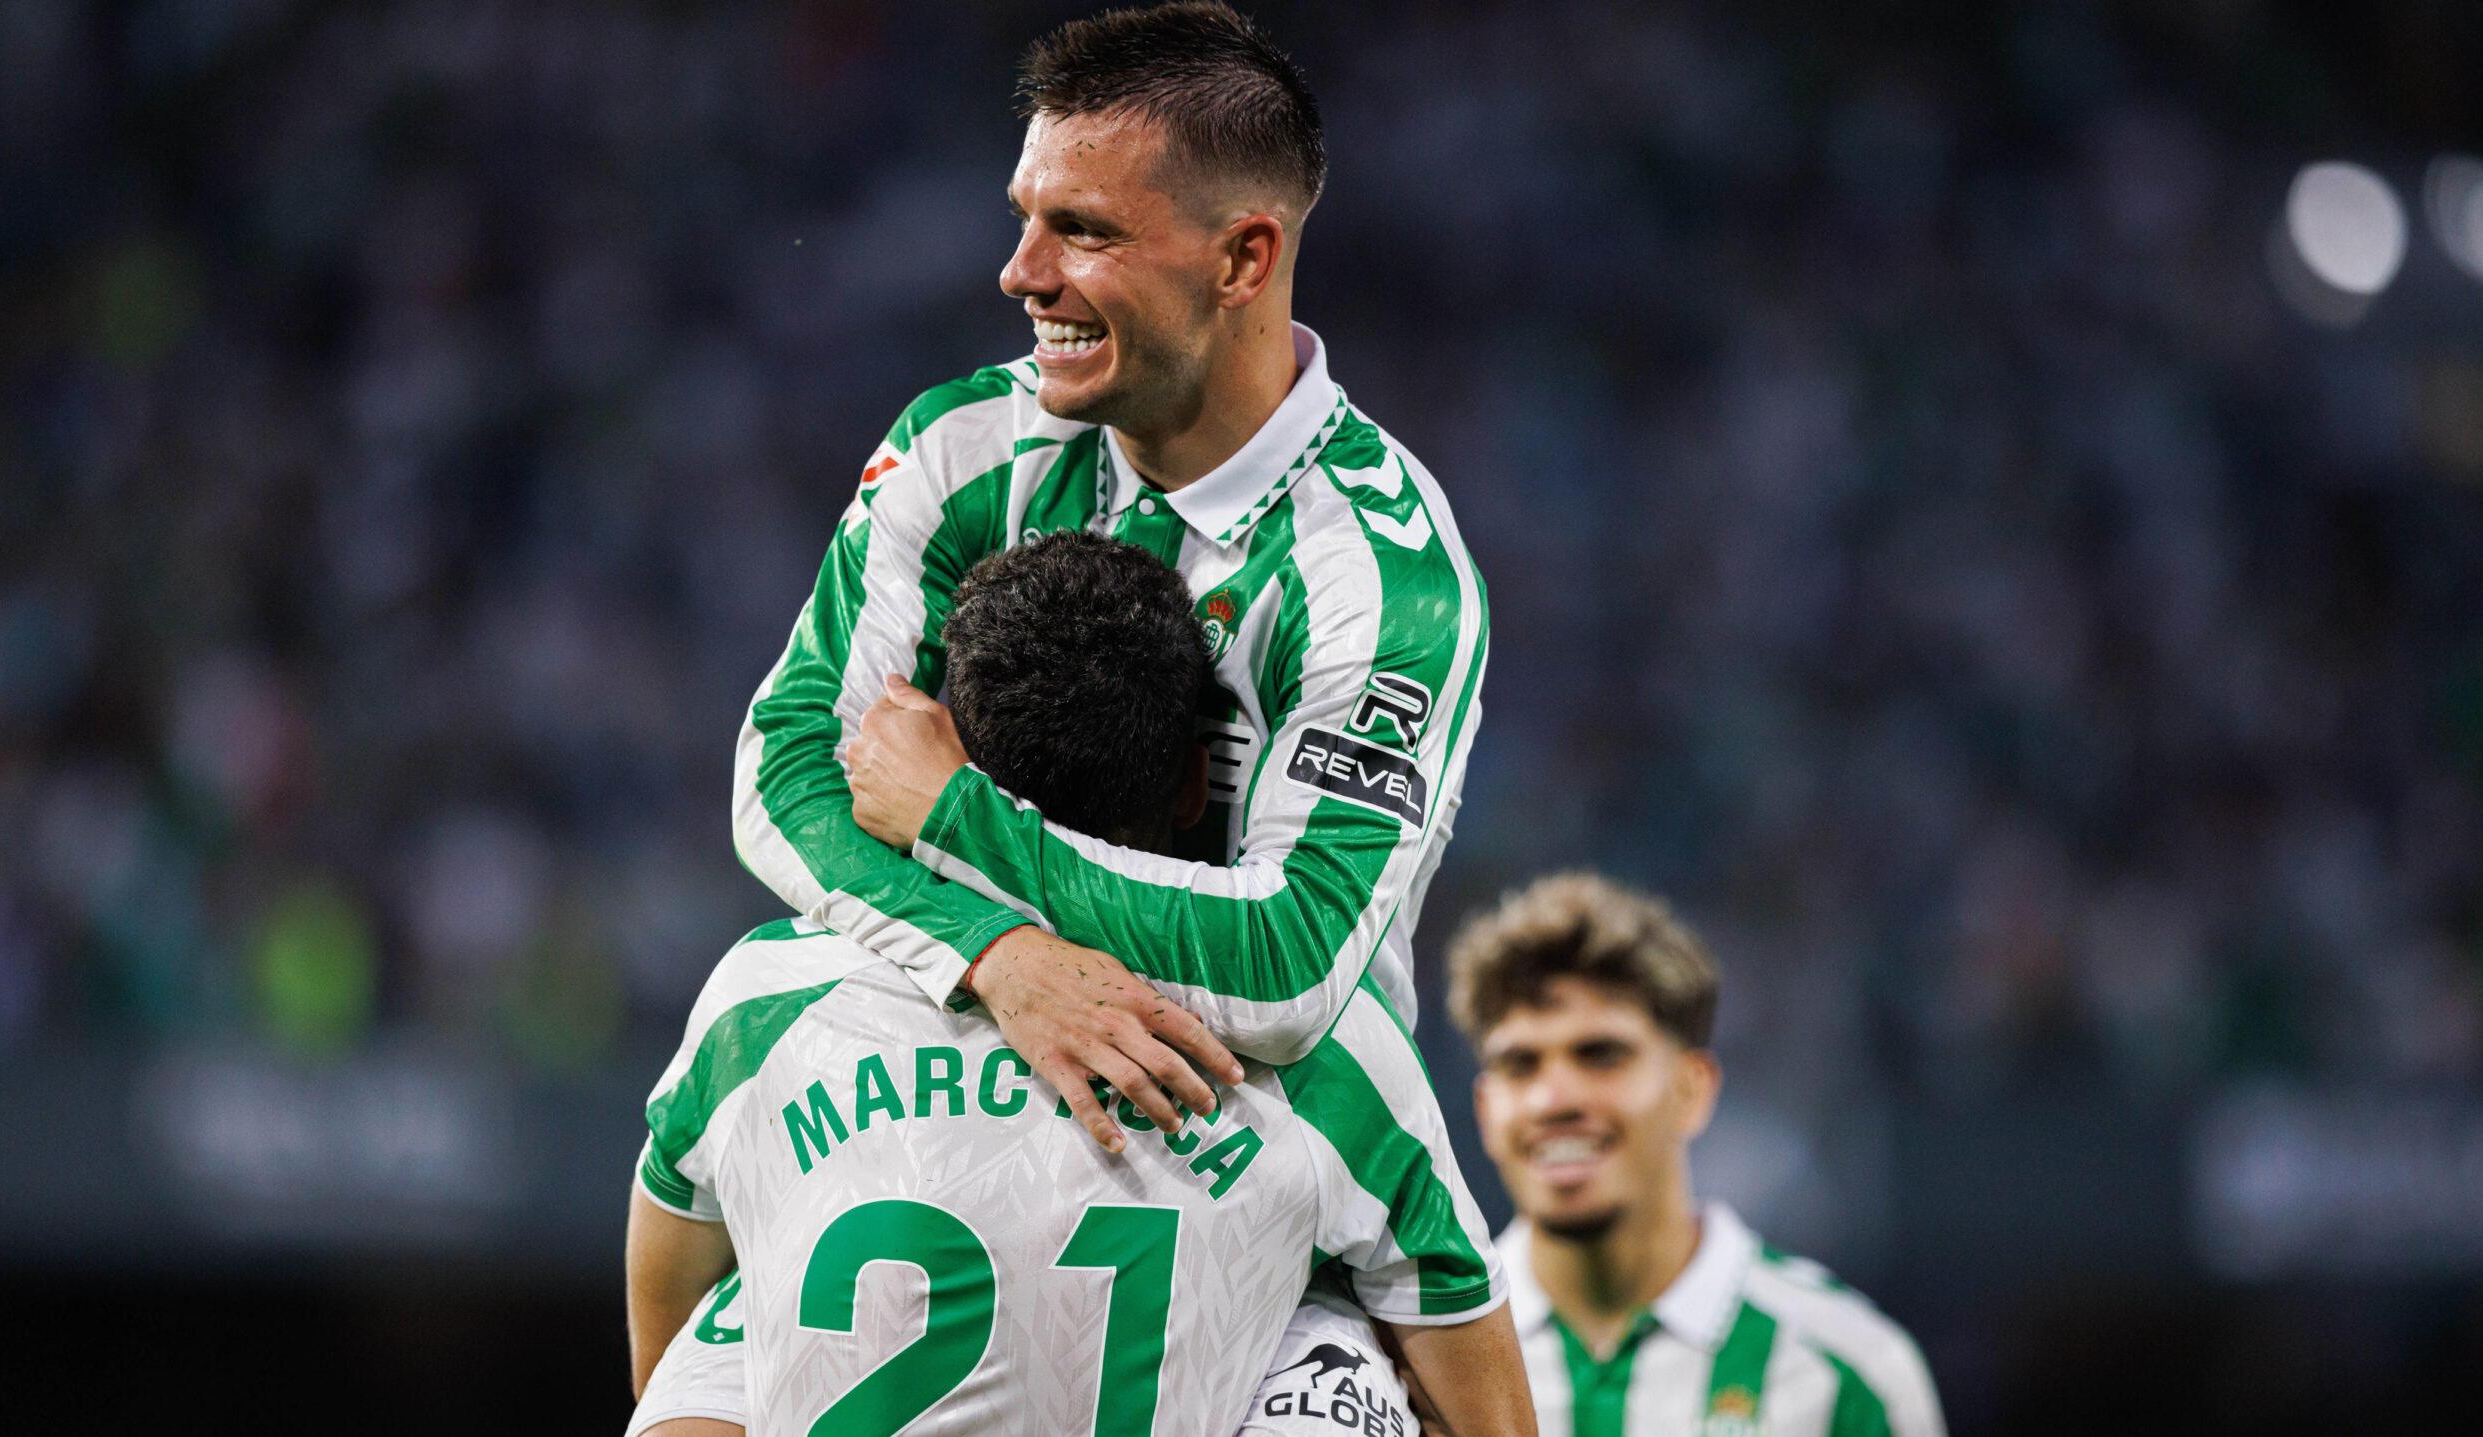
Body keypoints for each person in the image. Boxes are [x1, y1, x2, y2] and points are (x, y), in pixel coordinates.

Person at [734, 2, 1489, 1157]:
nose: (1018, 273)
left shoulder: (1376, 578)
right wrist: (1003, 958)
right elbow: (785, 773)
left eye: (1080, 230)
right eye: (1024, 219)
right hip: (957, 1086)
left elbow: (1287, 965)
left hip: (1248, 1157)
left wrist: (956, 819)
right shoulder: (965, 446)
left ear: (1243, 258)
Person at [629, 533, 1529, 1437]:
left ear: (951, 754)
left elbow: (673, 1344)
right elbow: (1492, 1416)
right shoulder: (1324, 1049)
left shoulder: (762, 998)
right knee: (1334, 1358)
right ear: (1194, 786)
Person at [1447, 875, 1943, 1437]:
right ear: (1486, 1111)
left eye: (1601, 1055)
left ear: (1692, 1090)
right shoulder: (1412, 1359)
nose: (1554, 1099)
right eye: (1520, 1064)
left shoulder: (1847, 1370)